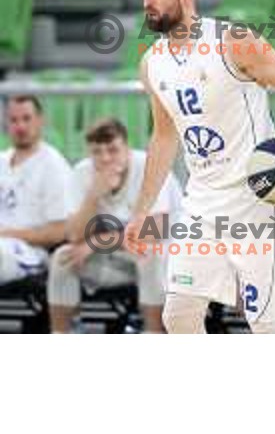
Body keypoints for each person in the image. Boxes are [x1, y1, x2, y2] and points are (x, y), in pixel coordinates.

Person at [124, 0, 275, 334]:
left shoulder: (232, 42)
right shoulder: (152, 63)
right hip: (202, 201)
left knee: (265, 320)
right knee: (178, 316)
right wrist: (141, 211)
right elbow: (165, 136)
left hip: (258, 197)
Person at [47, 118, 181, 333]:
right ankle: (61, 333)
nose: (106, 158)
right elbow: (73, 235)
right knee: (63, 257)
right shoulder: (83, 172)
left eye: (113, 150)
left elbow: (157, 230)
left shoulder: (148, 166)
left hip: (168, 258)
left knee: (150, 253)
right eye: (97, 152)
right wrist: (93, 195)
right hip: (118, 258)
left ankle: (153, 332)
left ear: (127, 149)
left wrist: (96, 242)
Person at [0, 95, 73, 284]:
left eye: (26, 118)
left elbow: (60, 232)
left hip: (29, 251)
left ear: (40, 121)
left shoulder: (53, 165)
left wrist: (7, 234)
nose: (20, 126)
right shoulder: (1, 161)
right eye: (14, 120)